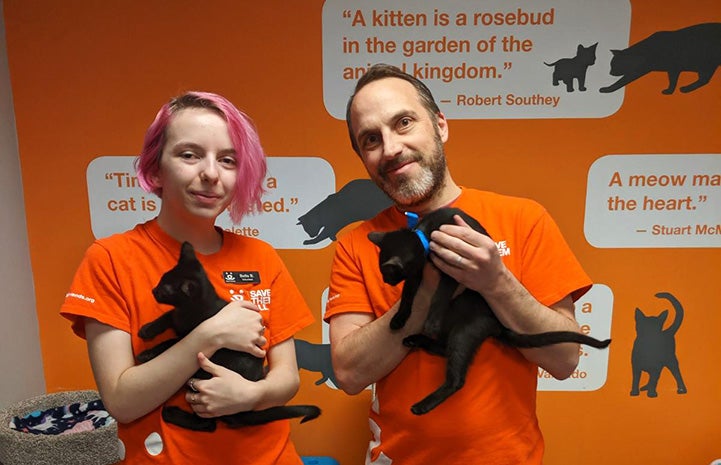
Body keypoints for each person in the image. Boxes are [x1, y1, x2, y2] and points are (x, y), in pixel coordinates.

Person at [325, 64, 593, 464]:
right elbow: (348, 374)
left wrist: (495, 281)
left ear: (440, 126)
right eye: (371, 139)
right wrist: (426, 290)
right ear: (363, 157)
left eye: (403, 123)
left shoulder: (524, 218)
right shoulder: (356, 244)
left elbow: (565, 359)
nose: (391, 148)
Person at [61, 91, 314, 464]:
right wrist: (210, 335)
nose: (211, 173)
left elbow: (287, 379)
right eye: (189, 155)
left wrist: (250, 395)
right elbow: (121, 401)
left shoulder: (262, 257)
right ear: (155, 168)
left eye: (227, 160)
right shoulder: (110, 259)